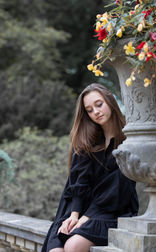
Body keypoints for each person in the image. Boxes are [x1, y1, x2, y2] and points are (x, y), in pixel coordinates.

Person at [42, 83, 139, 252]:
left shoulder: (128, 141)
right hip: (79, 209)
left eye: (99, 104)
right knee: (56, 250)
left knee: (73, 246)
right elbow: (80, 182)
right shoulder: (87, 140)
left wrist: (86, 217)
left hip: (112, 210)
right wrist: (74, 215)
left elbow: (118, 189)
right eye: (89, 109)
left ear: (110, 101)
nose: (96, 112)